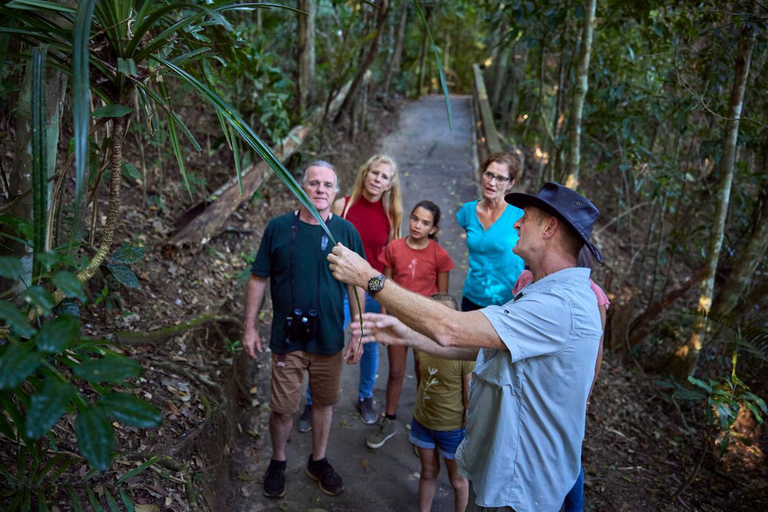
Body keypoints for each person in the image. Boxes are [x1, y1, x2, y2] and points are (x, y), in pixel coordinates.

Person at [328, 182, 604, 511]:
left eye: (525, 217)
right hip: (511, 477)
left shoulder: (560, 306)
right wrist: (407, 334)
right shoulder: (544, 293)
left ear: (549, 227)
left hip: (526, 488)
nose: (516, 223)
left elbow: (450, 329)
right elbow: (480, 346)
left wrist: (369, 278)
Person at [242, 161, 366, 498]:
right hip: (287, 337)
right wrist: (250, 327)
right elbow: (258, 278)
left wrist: (358, 331)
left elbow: (359, 285)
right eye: (314, 183)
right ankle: (278, 461)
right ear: (301, 187)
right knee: (282, 408)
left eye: (327, 185)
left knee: (324, 404)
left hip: (329, 339)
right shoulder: (279, 228)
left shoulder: (346, 232)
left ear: (336, 192)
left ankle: (318, 460)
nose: (320, 190)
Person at [300, 154, 403, 429]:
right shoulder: (342, 205)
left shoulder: (392, 216)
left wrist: (386, 300)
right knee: (327, 342)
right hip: (339, 287)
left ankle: (365, 396)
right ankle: (312, 402)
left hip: (371, 290)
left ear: (390, 184)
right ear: (365, 173)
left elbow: (389, 259)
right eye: (374, 173)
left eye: (384, 176)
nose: (377, 179)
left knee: (368, 345)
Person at [367, 200, 454, 450]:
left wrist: (436, 329)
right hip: (396, 321)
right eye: (415, 218)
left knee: (423, 375)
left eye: (425, 222)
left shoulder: (439, 255)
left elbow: (443, 300)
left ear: (434, 228)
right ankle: (389, 420)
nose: (417, 225)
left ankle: (423, 429)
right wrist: (384, 320)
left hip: (424, 325)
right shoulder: (394, 248)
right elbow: (385, 286)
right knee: (395, 372)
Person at [411, 293, 473, 512]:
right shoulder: (421, 345)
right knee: (428, 473)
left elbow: (469, 399)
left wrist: (468, 433)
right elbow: (422, 379)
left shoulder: (465, 354)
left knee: (458, 481)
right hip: (423, 423)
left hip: (453, 430)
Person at [457, 152, 525, 311]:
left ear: (510, 184)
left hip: (508, 302)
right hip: (472, 298)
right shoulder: (467, 211)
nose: (492, 182)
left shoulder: (521, 215)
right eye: (489, 174)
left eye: (501, 178)